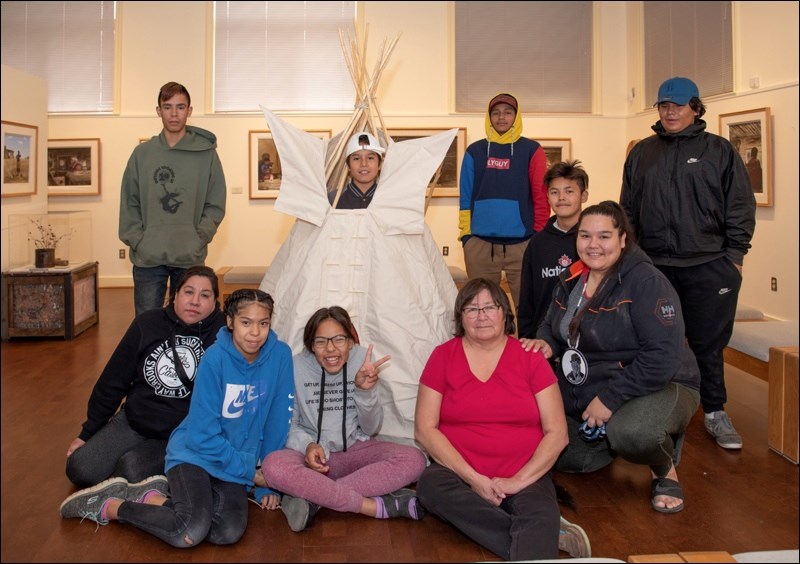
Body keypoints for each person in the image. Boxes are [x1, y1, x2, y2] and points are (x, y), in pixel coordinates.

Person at [60, 289, 295, 548]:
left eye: (263, 323)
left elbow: (277, 420)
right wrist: (250, 470)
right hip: (194, 454)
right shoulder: (215, 359)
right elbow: (201, 435)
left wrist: (268, 481)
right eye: (246, 322)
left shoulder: (280, 355)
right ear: (230, 322)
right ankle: (110, 506)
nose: (255, 333)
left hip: (234, 464)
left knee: (226, 532)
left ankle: (151, 499)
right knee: (189, 532)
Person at [528, 201, 702, 514]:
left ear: (623, 239)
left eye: (604, 236)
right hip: (591, 386)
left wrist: (610, 399)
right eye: (585, 236)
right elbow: (551, 325)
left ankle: (662, 465)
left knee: (634, 433)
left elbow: (663, 355)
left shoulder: (646, 282)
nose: (593, 245)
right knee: (564, 456)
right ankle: (614, 439)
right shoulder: (571, 278)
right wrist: (546, 344)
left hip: (661, 383)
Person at [620, 76, 756, 450]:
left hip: (709, 264)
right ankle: (651, 407)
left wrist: (734, 257)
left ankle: (714, 411)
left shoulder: (720, 150)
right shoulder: (642, 153)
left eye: (677, 105)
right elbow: (627, 210)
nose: (669, 111)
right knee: (651, 340)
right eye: (663, 105)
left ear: (696, 107)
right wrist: (631, 257)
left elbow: (740, 206)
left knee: (708, 343)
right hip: (653, 266)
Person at [414, 278, 590, 561]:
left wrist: (517, 481)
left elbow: (558, 432)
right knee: (430, 487)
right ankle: (542, 536)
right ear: (460, 318)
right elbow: (425, 429)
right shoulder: (442, 356)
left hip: (525, 471)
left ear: (504, 314)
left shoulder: (530, 358)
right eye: (471, 309)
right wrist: (474, 480)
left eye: (489, 307)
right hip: (459, 474)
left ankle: (535, 529)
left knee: (540, 510)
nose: (481, 315)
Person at [262, 306, 428, 532]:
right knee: (273, 466)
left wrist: (365, 392)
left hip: (355, 452)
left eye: (339, 339)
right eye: (321, 341)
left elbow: (372, 428)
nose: (330, 349)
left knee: (415, 459)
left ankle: (314, 499)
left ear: (350, 341)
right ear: (311, 345)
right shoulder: (296, 366)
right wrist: (308, 445)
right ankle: (373, 506)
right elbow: (290, 425)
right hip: (311, 458)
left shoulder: (363, 360)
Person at [65, 265, 227, 488]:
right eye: (189, 292)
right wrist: (88, 432)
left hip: (181, 434)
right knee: (80, 469)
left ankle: (139, 476)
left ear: (215, 302)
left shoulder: (224, 333)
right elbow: (113, 380)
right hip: (135, 421)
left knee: (131, 470)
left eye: (205, 295)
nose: (195, 301)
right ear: (176, 294)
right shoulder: (147, 323)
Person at [119, 81, 227, 317]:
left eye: (180, 107)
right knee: (147, 323)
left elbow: (216, 202)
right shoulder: (142, 154)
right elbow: (130, 201)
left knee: (189, 321)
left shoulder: (206, 154)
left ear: (189, 110)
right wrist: (138, 240)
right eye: (167, 107)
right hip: (148, 257)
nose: (174, 113)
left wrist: (199, 237)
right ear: (158, 111)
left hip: (189, 255)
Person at [458, 93, 549, 313]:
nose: (501, 117)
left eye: (508, 112)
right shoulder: (474, 151)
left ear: (516, 117)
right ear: (489, 117)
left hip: (523, 244)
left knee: (527, 309)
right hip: (480, 244)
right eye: (496, 113)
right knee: (480, 307)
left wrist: (539, 235)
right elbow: (465, 197)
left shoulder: (532, 150)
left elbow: (540, 195)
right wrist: (467, 237)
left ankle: (523, 348)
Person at [518, 160, 589, 338]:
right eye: (554, 192)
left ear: (584, 196)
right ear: (547, 197)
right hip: (544, 338)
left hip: (586, 337)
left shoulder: (593, 240)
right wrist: (526, 337)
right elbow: (527, 299)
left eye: (569, 191)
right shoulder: (537, 243)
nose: (561, 198)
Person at [329, 131, 386, 209]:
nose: (363, 164)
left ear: (379, 164)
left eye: (370, 158)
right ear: (348, 165)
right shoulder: (333, 199)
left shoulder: (387, 199)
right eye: (356, 158)